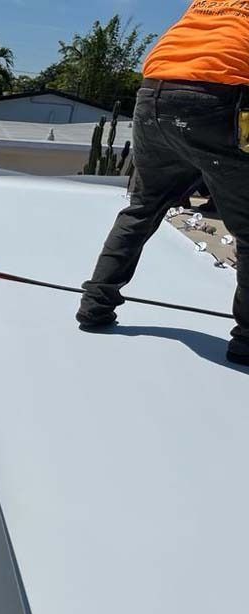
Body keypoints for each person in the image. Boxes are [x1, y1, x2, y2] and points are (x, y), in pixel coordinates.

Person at [76, 0, 249, 365]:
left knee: (143, 206)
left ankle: (95, 305)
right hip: (219, 99)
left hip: (153, 95)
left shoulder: (206, 4)